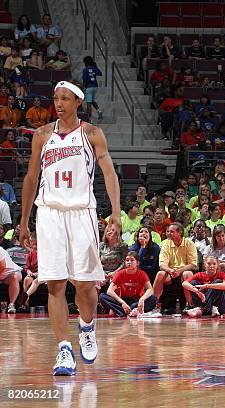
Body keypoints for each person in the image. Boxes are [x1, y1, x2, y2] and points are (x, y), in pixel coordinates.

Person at [19, 80, 121, 376]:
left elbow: (109, 171)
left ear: (78, 102)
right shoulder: (41, 135)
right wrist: (24, 221)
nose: (59, 103)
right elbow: (31, 177)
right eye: (55, 98)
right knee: (55, 284)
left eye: (65, 98)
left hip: (81, 213)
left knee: (85, 285)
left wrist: (115, 212)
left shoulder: (91, 134)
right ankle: (64, 348)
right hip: (49, 212)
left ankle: (87, 326)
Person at [151, 222, 198, 314]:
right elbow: (162, 265)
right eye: (168, 231)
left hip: (184, 271)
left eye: (172, 232)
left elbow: (193, 264)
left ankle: (190, 305)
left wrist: (179, 270)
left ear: (180, 232)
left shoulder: (189, 244)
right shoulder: (166, 244)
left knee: (187, 274)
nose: (169, 234)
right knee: (160, 273)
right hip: (170, 273)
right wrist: (171, 270)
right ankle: (154, 305)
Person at [99, 252, 156, 317]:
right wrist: (122, 303)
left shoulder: (142, 274)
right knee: (102, 296)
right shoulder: (120, 273)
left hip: (136, 301)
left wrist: (142, 299)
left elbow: (150, 289)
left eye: (132, 260)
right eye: (127, 260)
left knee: (153, 298)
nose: (129, 262)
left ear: (137, 263)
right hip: (123, 300)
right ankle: (129, 311)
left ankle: (122, 311)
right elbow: (109, 291)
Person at [82, 56, 103, 122]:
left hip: (89, 87)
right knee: (92, 100)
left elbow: (85, 79)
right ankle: (99, 110)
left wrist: (83, 87)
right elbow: (100, 73)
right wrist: (96, 66)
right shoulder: (94, 68)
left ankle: (88, 119)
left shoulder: (85, 69)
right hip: (95, 86)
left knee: (88, 103)